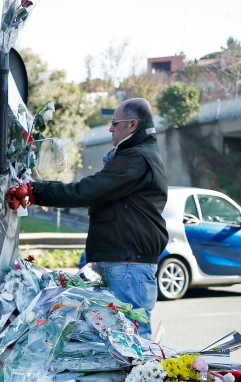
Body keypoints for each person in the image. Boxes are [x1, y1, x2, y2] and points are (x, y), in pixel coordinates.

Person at [31, 98, 168, 339]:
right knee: (116, 342)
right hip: (125, 263)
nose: (110, 128)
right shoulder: (139, 154)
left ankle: (140, 377)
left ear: (133, 125)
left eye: (115, 123)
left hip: (127, 265)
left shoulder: (135, 158)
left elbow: (85, 191)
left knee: (130, 343)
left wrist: (35, 190)